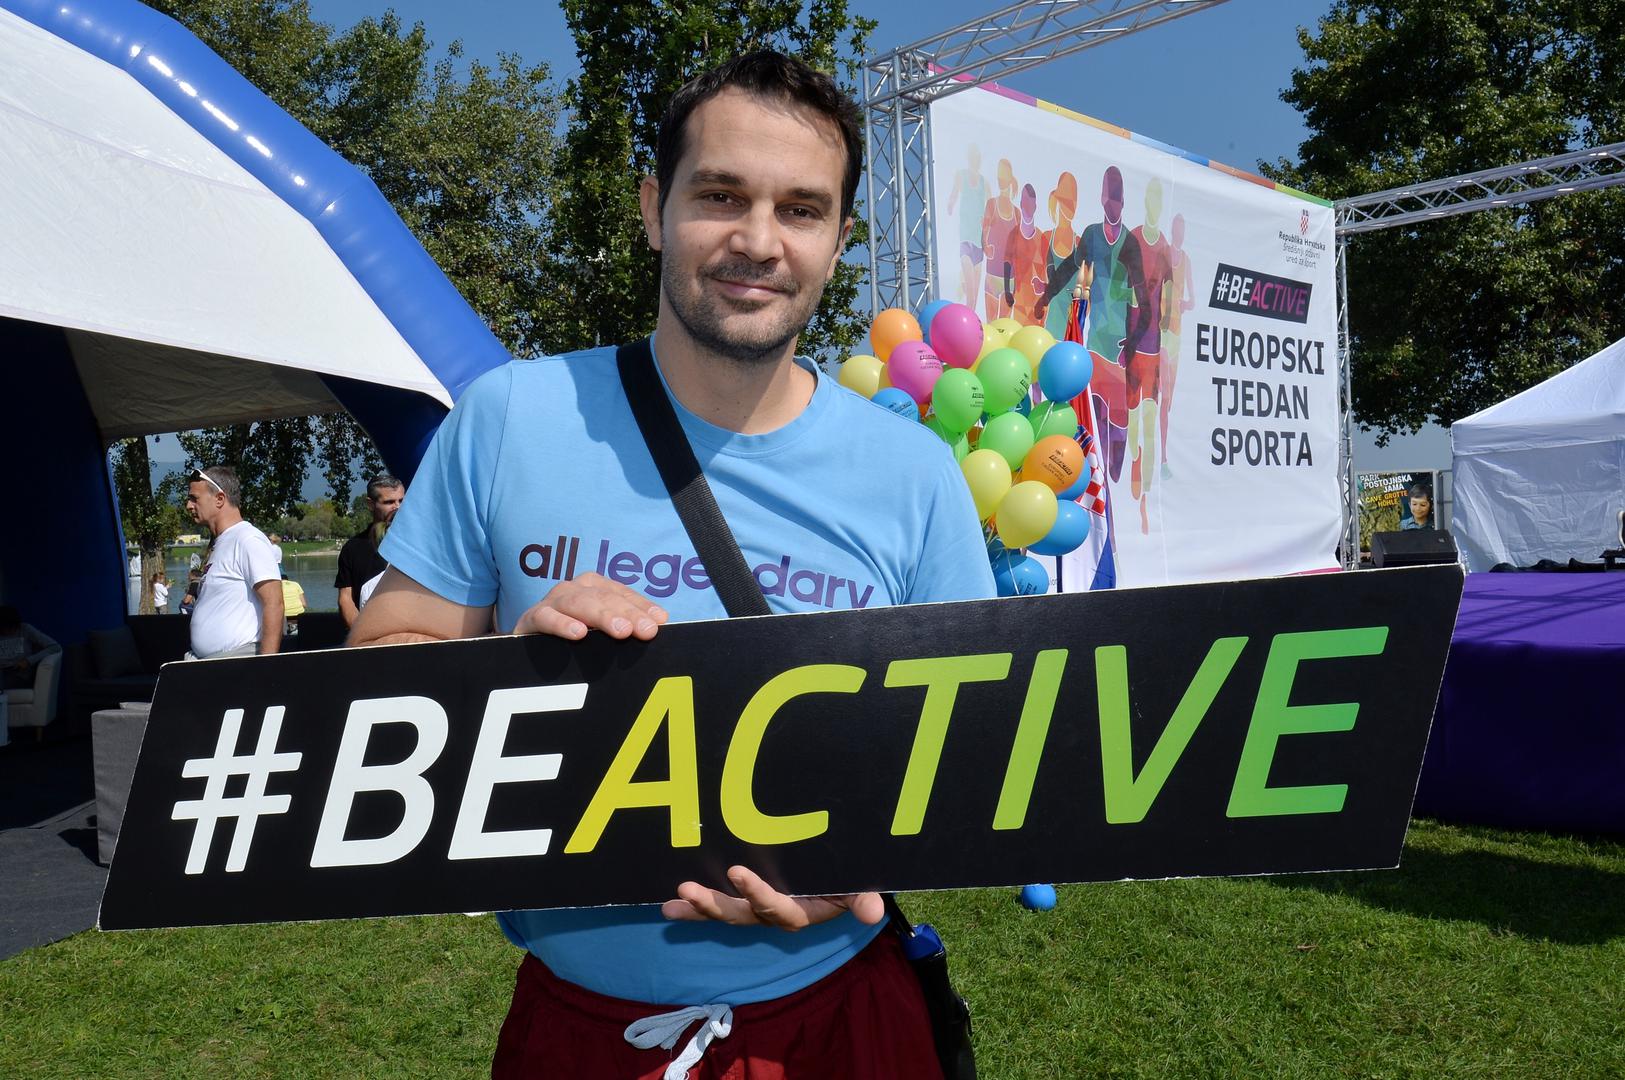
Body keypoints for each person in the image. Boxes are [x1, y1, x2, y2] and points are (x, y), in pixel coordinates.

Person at [351, 51, 994, 1079]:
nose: (758, 241)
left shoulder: (912, 474)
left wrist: (853, 872)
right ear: (656, 208)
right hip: (577, 1030)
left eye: (800, 210)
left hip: (838, 1022)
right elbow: (373, 671)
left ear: (837, 241)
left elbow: (975, 758)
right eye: (720, 196)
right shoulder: (509, 417)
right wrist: (508, 667)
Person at [183, 466, 282, 659]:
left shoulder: (247, 539)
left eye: (194, 498)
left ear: (220, 499)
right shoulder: (221, 542)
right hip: (209, 663)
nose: (189, 505)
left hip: (235, 663)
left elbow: (274, 603)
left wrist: (267, 666)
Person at [335, 474, 405, 627]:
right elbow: (345, 599)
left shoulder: (420, 543)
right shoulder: (352, 549)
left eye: (401, 500)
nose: (398, 507)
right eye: (389, 502)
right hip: (369, 633)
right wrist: (362, 634)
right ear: (371, 504)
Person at [0, 605, 59, 691]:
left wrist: (29, 661)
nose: (6, 631)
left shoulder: (25, 629)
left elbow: (55, 647)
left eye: (8, 627)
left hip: (19, 672)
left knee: (7, 681)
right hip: (2, 671)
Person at [280, 571, 307, 638]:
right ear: (287, 579)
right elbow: (304, 604)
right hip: (299, 614)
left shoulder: (276, 586)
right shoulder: (296, 584)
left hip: (284, 616)